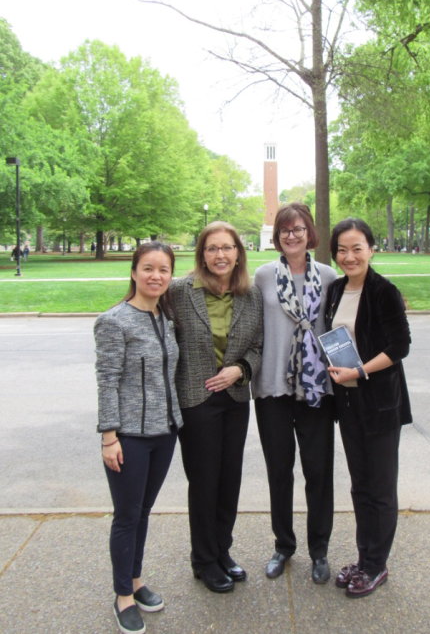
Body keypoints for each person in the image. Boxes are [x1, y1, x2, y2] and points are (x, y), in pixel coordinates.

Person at [94, 241, 183, 634]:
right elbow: (107, 381)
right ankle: (122, 597)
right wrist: (109, 437)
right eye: (148, 268)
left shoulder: (166, 318)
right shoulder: (113, 321)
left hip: (165, 433)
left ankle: (135, 580)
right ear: (134, 272)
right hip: (129, 436)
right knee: (127, 516)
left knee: (143, 512)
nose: (156, 276)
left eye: (163, 270)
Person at [171, 222, 263, 594]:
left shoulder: (251, 294)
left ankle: (222, 550)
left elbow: (258, 345)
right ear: (202, 254)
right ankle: (204, 559)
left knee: (229, 480)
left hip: (235, 400)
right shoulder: (179, 291)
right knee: (204, 481)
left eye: (227, 247)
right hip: (196, 401)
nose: (220, 255)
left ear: (238, 253)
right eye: (212, 248)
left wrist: (241, 370)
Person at [325, 218, 412, 599]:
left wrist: (358, 371)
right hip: (347, 401)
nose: (349, 256)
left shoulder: (384, 291)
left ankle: (376, 565)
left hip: (379, 404)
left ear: (371, 250)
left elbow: (399, 346)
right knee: (360, 484)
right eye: (342, 249)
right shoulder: (336, 289)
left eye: (357, 248)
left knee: (380, 487)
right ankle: (364, 559)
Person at [252, 203, 337, 584]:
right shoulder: (263, 276)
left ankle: (319, 550)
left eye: (298, 229)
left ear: (309, 233)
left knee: (318, 472)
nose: (292, 235)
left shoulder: (329, 276)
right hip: (272, 387)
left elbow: (338, 327)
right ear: (278, 236)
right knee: (279, 472)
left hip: (316, 389)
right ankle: (283, 545)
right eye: (285, 230)